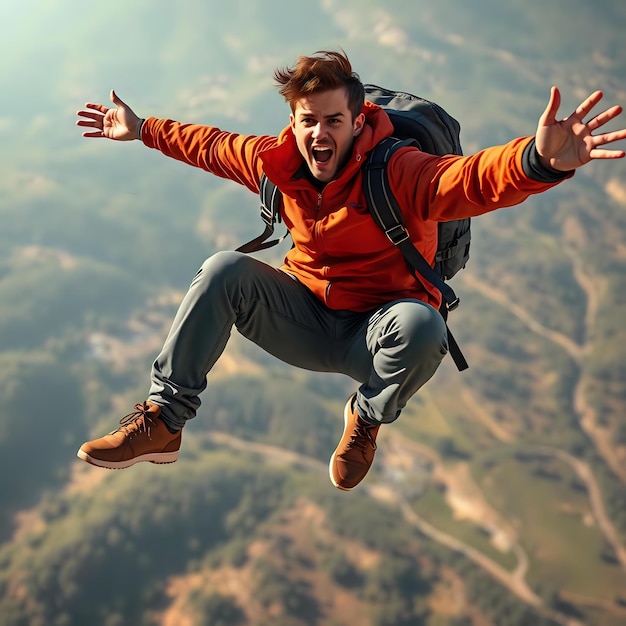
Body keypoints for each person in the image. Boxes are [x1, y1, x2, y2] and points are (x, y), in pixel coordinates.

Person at [75, 50, 626, 491]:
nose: (318, 134)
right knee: (223, 270)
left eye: (333, 121)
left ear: (357, 120)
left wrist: (539, 161)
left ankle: (365, 419)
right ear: (292, 123)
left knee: (423, 326)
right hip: (304, 317)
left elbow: (473, 179)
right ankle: (164, 422)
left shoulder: (400, 172)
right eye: (307, 121)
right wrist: (142, 127)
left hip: (376, 335)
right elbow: (211, 144)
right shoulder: (275, 162)